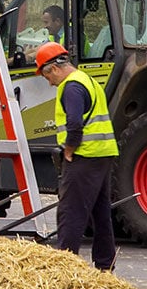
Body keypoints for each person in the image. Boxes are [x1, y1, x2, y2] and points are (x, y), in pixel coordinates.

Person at [35, 41, 118, 272]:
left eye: (46, 76)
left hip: (84, 155)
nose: (49, 83)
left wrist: (69, 150)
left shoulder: (71, 86)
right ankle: (105, 266)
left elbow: (74, 123)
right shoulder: (88, 80)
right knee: (101, 214)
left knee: (70, 211)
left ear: (53, 69)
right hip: (104, 153)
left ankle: (64, 268)